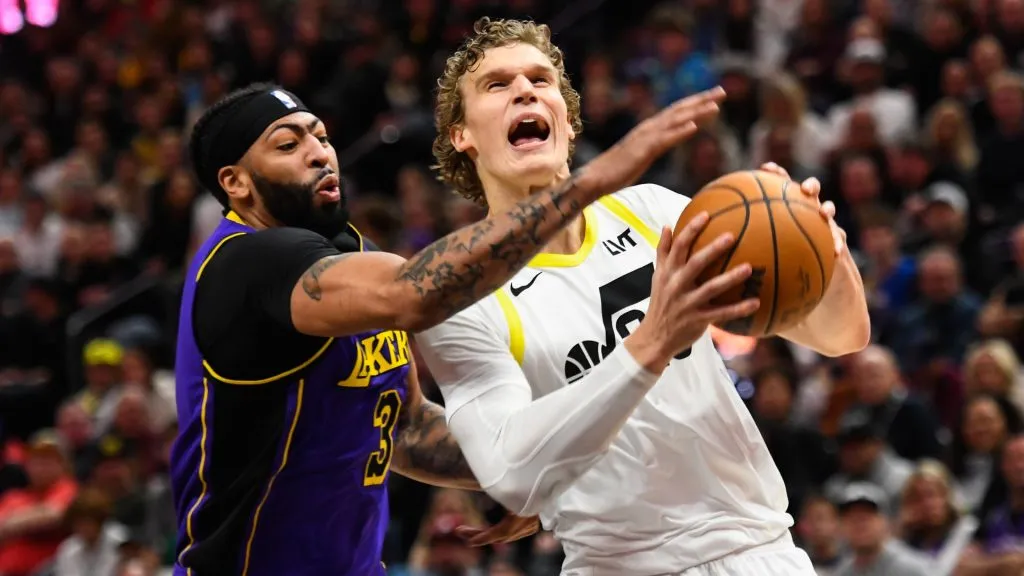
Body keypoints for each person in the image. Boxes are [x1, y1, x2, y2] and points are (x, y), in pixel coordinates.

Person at [171, 80, 723, 576]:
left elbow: (405, 428)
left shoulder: (351, 255)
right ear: (236, 184)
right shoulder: (240, 264)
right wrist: (593, 181)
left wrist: (511, 469)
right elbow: (416, 293)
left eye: (320, 136)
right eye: (288, 145)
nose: (319, 154)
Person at [416, 17, 870, 575]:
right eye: (498, 84)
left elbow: (841, 336)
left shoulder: (653, 212)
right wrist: (652, 340)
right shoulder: (462, 297)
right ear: (462, 135)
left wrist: (826, 251)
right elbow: (512, 472)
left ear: (568, 119)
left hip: (759, 550)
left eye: (541, 80)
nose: (526, 90)